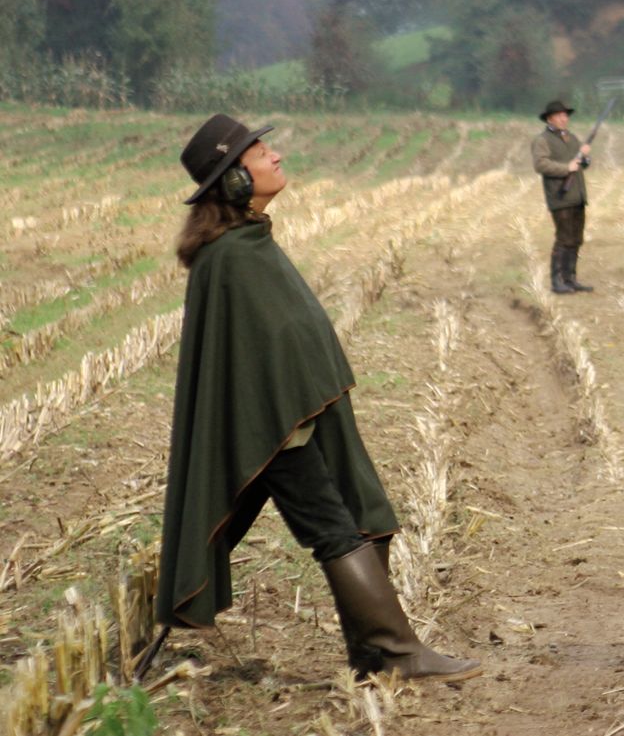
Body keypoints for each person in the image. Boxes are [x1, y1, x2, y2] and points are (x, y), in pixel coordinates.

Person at [155, 115, 480, 681]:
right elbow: (245, 363)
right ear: (233, 179)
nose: (274, 156)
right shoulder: (228, 258)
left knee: (360, 513)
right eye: (259, 152)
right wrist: (287, 414)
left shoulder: (250, 243)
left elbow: (286, 337)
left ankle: (374, 657)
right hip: (274, 429)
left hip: (300, 417)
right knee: (332, 529)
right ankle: (397, 652)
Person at [531, 99, 595, 294]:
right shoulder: (542, 140)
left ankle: (571, 278)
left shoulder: (572, 138)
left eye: (565, 115)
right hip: (560, 196)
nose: (564, 118)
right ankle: (557, 281)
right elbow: (540, 165)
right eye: (559, 115)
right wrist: (566, 168)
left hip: (577, 195)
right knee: (564, 238)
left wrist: (584, 157)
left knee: (576, 238)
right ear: (549, 119)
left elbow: (581, 164)